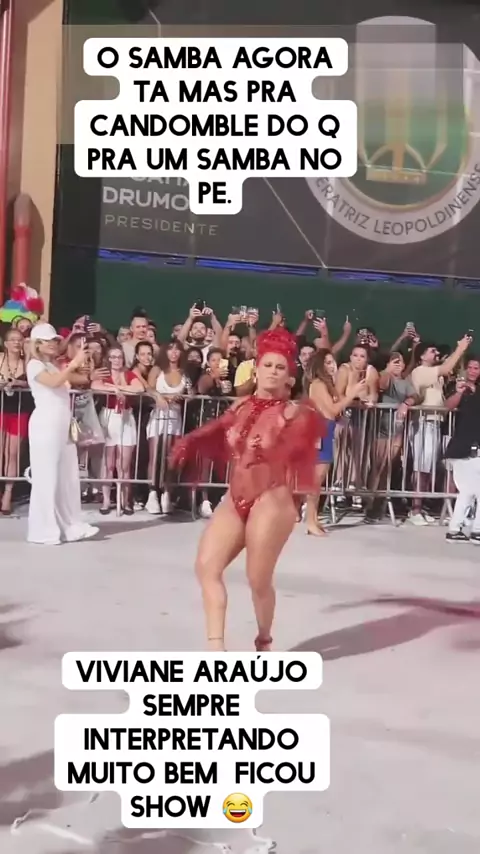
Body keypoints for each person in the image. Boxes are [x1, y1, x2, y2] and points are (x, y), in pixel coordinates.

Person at [170, 328, 325, 652]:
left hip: (272, 499)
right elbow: (218, 428)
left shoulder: (294, 413)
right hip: (235, 497)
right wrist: (191, 440)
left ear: (289, 378)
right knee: (206, 567)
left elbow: (304, 455)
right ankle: (216, 649)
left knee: (257, 579)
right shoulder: (240, 406)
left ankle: (264, 639)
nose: (273, 371)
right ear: (256, 369)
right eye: (267, 365)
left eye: (280, 367)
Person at [26, 323, 99, 545]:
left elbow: (81, 379)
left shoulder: (53, 365)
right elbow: (55, 382)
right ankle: (44, 531)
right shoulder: (34, 365)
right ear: (37, 344)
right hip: (45, 425)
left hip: (61, 424)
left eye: (55, 340)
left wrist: (85, 360)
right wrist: (74, 364)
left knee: (66, 476)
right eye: (48, 340)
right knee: (47, 478)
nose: (53, 344)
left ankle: (70, 526)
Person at [304, 349, 366, 536]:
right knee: (316, 479)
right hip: (319, 431)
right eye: (328, 362)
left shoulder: (327, 384)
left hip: (327, 429)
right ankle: (310, 520)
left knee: (320, 479)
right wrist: (351, 394)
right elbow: (331, 410)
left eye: (333, 362)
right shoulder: (318, 384)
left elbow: (332, 411)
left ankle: (314, 518)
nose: (332, 366)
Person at [444, 372, 480, 543]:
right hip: (469, 450)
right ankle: (476, 531)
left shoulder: (471, 396)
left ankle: (455, 529)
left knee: (467, 492)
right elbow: (448, 406)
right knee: (471, 491)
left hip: (462, 449)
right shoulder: (471, 397)